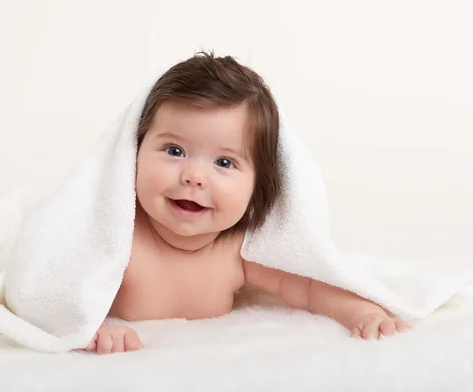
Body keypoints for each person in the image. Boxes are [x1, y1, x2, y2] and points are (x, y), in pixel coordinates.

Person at [84, 51, 411, 355]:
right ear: (132, 152)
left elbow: (311, 286)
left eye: (224, 163)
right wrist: (92, 330)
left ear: (258, 186)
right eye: (174, 151)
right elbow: (58, 289)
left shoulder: (238, 249)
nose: (194, 176)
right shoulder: (118, 235)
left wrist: (365, 314)